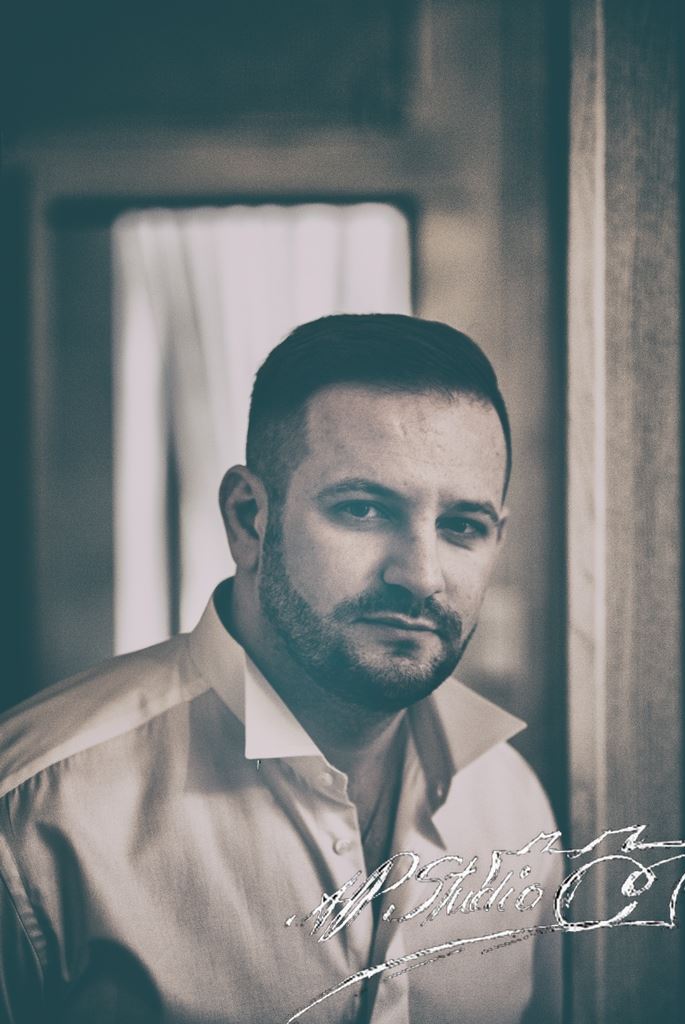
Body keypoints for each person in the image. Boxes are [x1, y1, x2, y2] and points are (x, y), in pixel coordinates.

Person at [0, 314, 562, 1023]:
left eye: (461, 527)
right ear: (248, 519)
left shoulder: (513, 803)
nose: (422, 576)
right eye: (364, 509)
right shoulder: (35, 818)